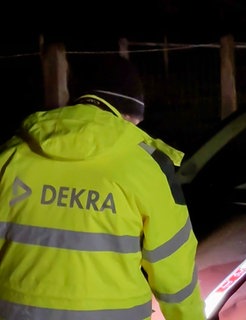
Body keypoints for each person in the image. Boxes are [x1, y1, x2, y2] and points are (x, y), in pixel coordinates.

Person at [0, 54, 206, 319]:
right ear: (128, 114)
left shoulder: (11, 155)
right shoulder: (146, 167)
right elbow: (175, 273)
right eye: (136, 122)